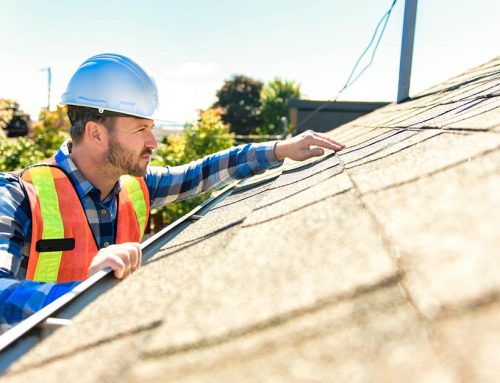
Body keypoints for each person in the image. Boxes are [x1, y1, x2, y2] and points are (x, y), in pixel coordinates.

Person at [0, 53, 345, 326]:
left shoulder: (135, 187)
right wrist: (79, 294)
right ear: (95, 133)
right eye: (140, 129)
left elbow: (202, 172)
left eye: (152, 128)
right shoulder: (17, 197)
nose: (153, 142)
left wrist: (277, 150)